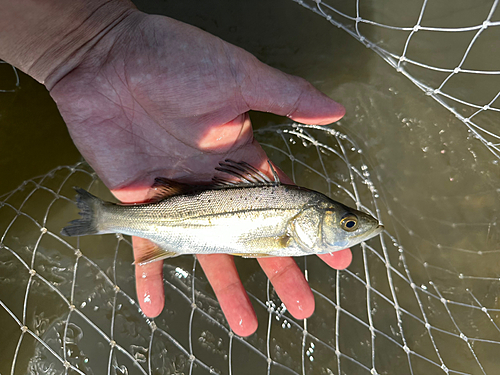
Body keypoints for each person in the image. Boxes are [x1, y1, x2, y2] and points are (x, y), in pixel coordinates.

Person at [0, 0, 351, 336]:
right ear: (313, 218)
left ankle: (107, 217)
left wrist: (93, 44)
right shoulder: (294, 214)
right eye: (347, 224)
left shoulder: (295, 214)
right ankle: (105, 217)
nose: (350, 227)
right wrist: (98, 44)